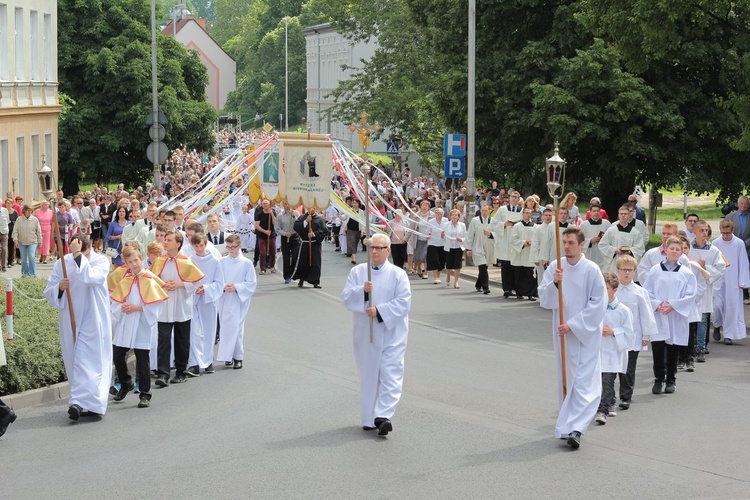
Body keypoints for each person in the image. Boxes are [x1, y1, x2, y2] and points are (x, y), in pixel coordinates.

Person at [538, 227, 607, 449]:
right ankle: (567, 426)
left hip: (585, 334)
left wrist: (574, 325)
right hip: (563, 335)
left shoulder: (592, 270)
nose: (566, 246)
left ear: (581, 245)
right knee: (567, 379)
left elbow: (598, 303)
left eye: (571, 243)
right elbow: (545, 299)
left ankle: (578, 428)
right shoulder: (555, 267)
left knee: (584, 382)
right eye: (564, 242)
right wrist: (555, 284)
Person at [341, 233, 411, 437]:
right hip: (366, 333)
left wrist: (379, 311)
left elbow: (404, 302)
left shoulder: (398, 274)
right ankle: (369, 418)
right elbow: (346, 297)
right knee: (370, 373)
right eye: (372, 248)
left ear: (388, 250)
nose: (374, 251)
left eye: (379, 248)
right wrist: (362, 291)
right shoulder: (358, 272)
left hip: (391, 332)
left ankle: (383, 416)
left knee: (390, 372)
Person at [43, 234, 113, 421]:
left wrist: (77, 256)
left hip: (93, 318)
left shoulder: (101, 261)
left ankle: (89, 401)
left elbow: (91, 278)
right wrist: (59, 287)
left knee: (90, 359)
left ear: (88, 248)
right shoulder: (63, 263)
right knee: (76, 358)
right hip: (71, 320)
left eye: (82, 250)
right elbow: (48, 290)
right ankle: (79, 402)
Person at [109, 246, 168, 408]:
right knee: (118, 354)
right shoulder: (125, 280)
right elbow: (116, 301)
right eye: (130, 262)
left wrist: (137, 308)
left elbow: (156, 306)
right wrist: (122, 307)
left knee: (142, 358)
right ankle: (126, 382)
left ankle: (145, 393)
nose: (134, 264)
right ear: (126, 263)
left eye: (136, 260)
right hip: (127, 321)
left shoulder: (149, 279)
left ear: (140, 259)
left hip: (142, 322)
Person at [642, 236, 697, 395]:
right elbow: (647, 292)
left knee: (673, 348)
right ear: (665, 249)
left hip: (675, 315)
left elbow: (690, 294)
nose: (674, 251)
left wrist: (673, 305)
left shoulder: (686, 273)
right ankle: (658, 378)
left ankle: (671, 379)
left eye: (677, 249)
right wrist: (657, 305)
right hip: (659, 314)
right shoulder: (655, 270)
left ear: (682, 252)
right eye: (671, 248)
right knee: (658, 348)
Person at [150, 231, 204, 386]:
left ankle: (181, 371)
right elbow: (152, 280)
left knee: (182, 340)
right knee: (163, 340)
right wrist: (164, 284)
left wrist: (180, 284)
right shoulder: (159, 261)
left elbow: (196, 283)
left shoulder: (187, 261)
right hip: (165, 306)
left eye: (168, 240)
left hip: (181, 305)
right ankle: (163, 374)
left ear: (178, 244)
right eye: (164, 240)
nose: (165, 242)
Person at [614, 255, 656, 411]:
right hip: (613, 335)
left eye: (630, 270)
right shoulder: (612, 290)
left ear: (634, 271)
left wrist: (646, 335)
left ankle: (625, 397)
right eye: (623, 270)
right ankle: (609, 397)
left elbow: (646, 314)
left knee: (629, 367)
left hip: (633, 335)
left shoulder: (640, 292)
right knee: (612, 366)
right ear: (618, 271)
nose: (626, 273)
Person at [594, 272, 634, 425]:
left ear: (614, 290)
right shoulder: (595, 307)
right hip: (597, 350)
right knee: (598, 380)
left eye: (607, 288)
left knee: (608, 380)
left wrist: (614, 332)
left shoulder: (623, 310)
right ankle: (610, 400)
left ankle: (602, 411)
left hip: (613, 351)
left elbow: (629, 333)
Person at [217, 234, 257, 369]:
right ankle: (226, 356)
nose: (230, 250)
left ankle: (238, 357)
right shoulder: (222, 262)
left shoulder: (247, 263)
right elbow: (217, 279)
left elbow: (251, 283)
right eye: (228, 247)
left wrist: (237, 287)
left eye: (233, 247)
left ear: (239, 246)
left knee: (237, 327)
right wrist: (223, 286)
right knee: (225, 327)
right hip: (225, 298)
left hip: (239, 299)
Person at [187, 233, 224, 376]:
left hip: (209, 300)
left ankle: (208, 362)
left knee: (209, 331)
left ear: (205, 244)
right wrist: (194, 288)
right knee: (194, 332)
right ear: (192, 246)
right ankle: (194, 363)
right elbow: (187, 280)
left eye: (201, 245)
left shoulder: (215, 261)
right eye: (196, 245)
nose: (199, 248)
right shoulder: (190, 261)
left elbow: (219, 282)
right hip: (194, 298)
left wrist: (207, 289)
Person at [687, 220, 725, 359]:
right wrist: (694, 265)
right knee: (690, 320)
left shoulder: (713, 250)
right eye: (701, 230)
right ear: (694, 232)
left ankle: (701, 348)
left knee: (702, 319)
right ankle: (689, 349)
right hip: (690, 287)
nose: (705, 233)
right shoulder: (688, 247)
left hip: (705, 288)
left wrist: (705, 267)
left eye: (706, 230)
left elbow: (720, 268)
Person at [712, 219, 750, 344]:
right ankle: (717, 325)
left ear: (732, 231)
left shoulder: (738, 243)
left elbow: (743, 262)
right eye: (723, 233)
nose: (725, 236)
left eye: (727, 233)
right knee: (717, 305)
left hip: (733, 280)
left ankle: (728, 334)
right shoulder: (716, 243)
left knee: (731, 307)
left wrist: (743, 281)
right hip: (719, 280)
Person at [490, 190, 523, 296]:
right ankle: (507, 289)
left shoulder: (522, 211)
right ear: (509, 198)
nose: (514, 198)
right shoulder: (502, 210)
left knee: (516, 266)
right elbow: (494, 223)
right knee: (506, 266)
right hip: (505, 240)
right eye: (513, 196)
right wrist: (504, 224)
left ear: (519, 199)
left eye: (516, 197)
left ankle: (516, 288)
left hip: (516, 241)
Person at [597, 205, 644, 275]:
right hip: (614, 264)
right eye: (621, 214)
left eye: (625, 214)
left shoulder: (635, 232)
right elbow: (602, 245)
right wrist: (615, 250)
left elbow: (640, 248)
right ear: (618, 215)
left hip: (628, 263)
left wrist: (630, 251)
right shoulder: (611, 230)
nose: (623, 216)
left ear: (629, 216)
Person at [293, 208, 327, 288]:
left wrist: (314, 234)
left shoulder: (319, 219)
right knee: (303, 262)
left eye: (313, 208)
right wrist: (306, 222)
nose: (311, 210)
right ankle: (301, 279)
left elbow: (324, 231)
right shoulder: (302, 217)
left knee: (315, 263)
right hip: (305, 243)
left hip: (315, 244)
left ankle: (315, 281)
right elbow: (296, 227)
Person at [465, 201, 494, 294]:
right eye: (482, 210)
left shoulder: (493, 221)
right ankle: (486, 287)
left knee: (484, 266)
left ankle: (478, 284)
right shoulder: (475, 220)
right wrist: (468, 248)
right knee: (482, 265)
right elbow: (470, 234)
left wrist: (490, 234)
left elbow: (498, 234)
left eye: (486, 210)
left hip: (488, 246)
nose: (484, 212)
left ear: (489, 211)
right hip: (477, 246)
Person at [726, 196, 750, 303]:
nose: (744, 206)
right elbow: (726, 231)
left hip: (748, 248)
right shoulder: (730, 216)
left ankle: (746, 294)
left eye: (746, 204)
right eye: (742, 204)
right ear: (738, 204)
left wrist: (745, 243)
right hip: (733, 248)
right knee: (735, 270)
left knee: (747, 270)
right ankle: (740, 294)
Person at [510, 208, 537, 300]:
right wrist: (523, 242)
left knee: (530, 275)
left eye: (530, 213)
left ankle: (530, 294)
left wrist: (531, 242)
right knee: (520, 274)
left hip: (530, 253)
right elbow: (513, 239)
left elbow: (537, 240)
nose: (528, 215)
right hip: (520, 253)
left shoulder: (535, 226)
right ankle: (519, 293)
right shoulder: (517, 226)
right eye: (526, 213)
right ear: (523, 214)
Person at [11, 205, 42, 277]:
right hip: (22, 242)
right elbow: (15, 230)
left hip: (32, 242)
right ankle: (25, 273)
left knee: (31, 256)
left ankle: (32, 273)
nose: (29, 212)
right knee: (24, 259)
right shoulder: (19, 219)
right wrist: (15, 240)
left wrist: (40, 241)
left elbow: (38, 231)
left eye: (31, 211)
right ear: (24, 211)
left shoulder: (35, 220)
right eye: (28, 210)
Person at [276, 202, 300, 284]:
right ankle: (287, 276)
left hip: (295, 236)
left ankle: (293, 273)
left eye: (288, 204)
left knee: (295, 256)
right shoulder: (280, 216)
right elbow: (277, 229)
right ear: (283, 205)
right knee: (286, 257)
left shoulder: (296, 213)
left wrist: (294, 216)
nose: (287, 205)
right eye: (285, 204)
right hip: (285, 237)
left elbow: (300, 224)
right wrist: (285, 233)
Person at [443, 209, 466, 289]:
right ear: (450, 216)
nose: (454, 216)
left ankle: (456, 281)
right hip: (449, 247)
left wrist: (462, 239)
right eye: (453, 215)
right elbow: (443, 236)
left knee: (457, 264)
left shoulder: (462, 225)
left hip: (458, 246)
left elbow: (465, 236)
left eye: (456, 215)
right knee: (449, 264)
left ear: (459, 217)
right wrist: (442, 236)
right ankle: (448, 276)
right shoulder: (446, 224)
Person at [425, 207, 447, 284]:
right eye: (438, 214)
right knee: (435, 260)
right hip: (433, 243)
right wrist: (427, 235)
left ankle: (438, 276)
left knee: (441, 260)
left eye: (441, 214)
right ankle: (435, 277)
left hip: (442, 243)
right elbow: (428, 231)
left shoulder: (446, 221)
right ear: (435, 214)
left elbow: (447, 230)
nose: (439, 215)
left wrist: (445, 234)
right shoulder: (431, 221)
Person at [255, 199, 277, 274]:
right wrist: (265, 231)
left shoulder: (273, 212)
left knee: (273, 251)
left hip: (272, 235)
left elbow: (275, 223)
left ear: (269, 204)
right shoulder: (259, 214)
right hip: (262, 236)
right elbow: (257, 225)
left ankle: (272, 266)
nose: (265, 205)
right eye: (264, 204)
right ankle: (263, 268)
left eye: (266, 204)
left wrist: (271, 214)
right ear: (262, 205)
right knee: (263, 253)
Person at [345, 199, 364, 264]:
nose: (355, 204)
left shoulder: (361, 212)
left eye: (356, 203)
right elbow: (344, 218)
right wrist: (339, 215)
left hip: (358, 230)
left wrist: (362, 231)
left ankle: (353, 254)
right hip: (350, 229)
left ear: (359, 204)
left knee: (355, 243)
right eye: (353, 203)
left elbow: (363, 222)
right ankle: (354, 258)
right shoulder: (349, 210)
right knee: (351, 242)